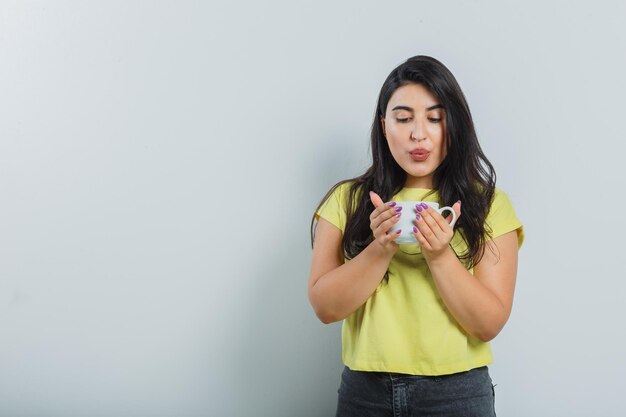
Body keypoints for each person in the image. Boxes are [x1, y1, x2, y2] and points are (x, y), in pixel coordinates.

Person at [307, 55, 524, 417]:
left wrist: (440, 256)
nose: (418, 134)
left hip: (458, 393)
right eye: (403, 118)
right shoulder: (347, 200)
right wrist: (380, 248)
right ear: (383, 124)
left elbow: (488, 324)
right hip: (365, 392)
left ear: (454, 125)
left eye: (435, 118)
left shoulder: (488, 204)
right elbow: (325, 308)